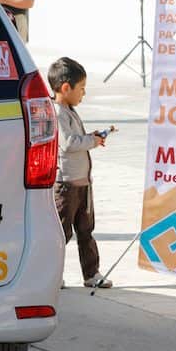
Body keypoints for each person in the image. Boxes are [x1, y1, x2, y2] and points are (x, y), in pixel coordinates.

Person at [49, 57, 112, 289]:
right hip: (66, 185)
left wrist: (91, 138)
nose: (84, 93)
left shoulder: (69, 110)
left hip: (83, 183)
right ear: (66, 88)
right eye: (82, 88)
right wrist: (91, 141)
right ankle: (51, 274)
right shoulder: (58, 113)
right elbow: (68, 143)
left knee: (86, 231)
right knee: (62, 233)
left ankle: (91, 273)